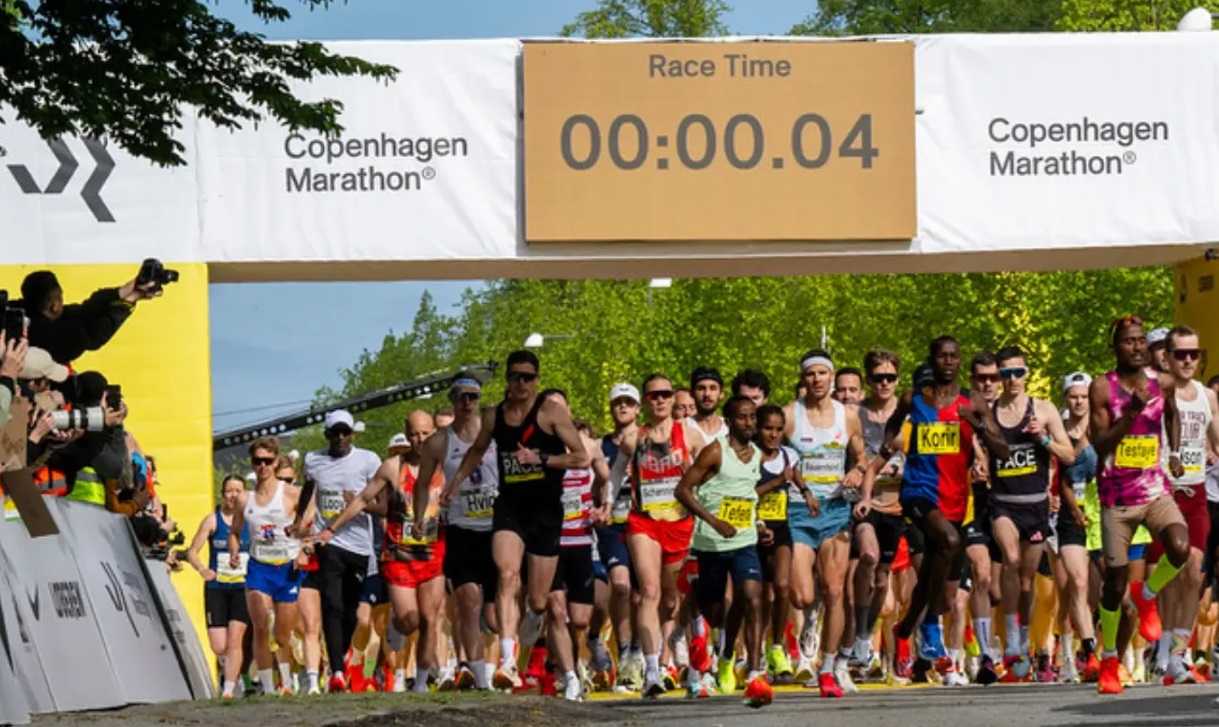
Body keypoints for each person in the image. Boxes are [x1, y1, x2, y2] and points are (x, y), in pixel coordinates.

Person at [444, 350, 590, 689]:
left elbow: (581, 457)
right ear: (507, 380)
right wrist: (453, 485)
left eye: (527, 377)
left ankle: (533, 622)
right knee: (507, 574)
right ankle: (508, 661)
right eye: (515, 376)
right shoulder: (493, 416)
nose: (521, 383)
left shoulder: (550, 412)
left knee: (538, 600)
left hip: (545, 511)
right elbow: (476, 451)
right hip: (510, 508)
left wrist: (542, 458)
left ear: (536, 380)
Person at [879, 338, 1009, 680]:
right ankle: (930, 627)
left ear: (960, 360)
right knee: (948, 542)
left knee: (934, 575)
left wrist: (977, 425)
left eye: (953, 356)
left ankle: (907, 627)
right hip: (918, 493)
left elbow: (1003, 451)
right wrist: (888, 445)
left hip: (955, 499)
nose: (948, 362)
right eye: (942, 356)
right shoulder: (913, 398)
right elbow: (893, 423)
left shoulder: (972, 401)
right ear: (933, 360)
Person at [1089, 315, 1191, 695]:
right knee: (1114, 585)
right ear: (1115, 346)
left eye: (1140, 340)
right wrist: (1131, 412)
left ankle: (1146, 596)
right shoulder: (1103, 387)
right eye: (1128, 341)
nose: (1136, 347)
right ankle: (1109, 660)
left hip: (1154, 490)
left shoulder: (1161, 383)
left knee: (1180, 547)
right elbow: (1099, 444)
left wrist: (1175, 452)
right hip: (1116, 498)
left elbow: (1172, 413)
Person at [327, 411, 445, 694]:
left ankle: (420, 682)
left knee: (430, 619)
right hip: (399, 556)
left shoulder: (445, 465)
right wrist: (332, 529)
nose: (420, 439)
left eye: (426, 433)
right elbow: (363, 499)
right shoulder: (393, 467)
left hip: (433, 554)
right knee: (410, 620)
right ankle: (396, 624)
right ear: (408, 434)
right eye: (414, 434)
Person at [676, 395, 773, 707]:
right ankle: (719, 644)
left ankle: (755, 674)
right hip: (711, 542)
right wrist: (713, 521)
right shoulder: (715, 451)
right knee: (717, 613)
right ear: (730, 421)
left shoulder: (757, 455)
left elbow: (748, 496)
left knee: (752, 596)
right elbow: (682, 490)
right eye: (743, 417)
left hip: (744, 541)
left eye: (753, 417)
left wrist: (759, 525)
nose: (750, 423)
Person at [785, 349, 869, 698]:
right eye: (811, 374)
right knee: (801, 596)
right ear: (803, 378)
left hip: (835, 510)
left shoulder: (847, 416)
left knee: (835, 591)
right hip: (800, 511)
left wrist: (856, 471)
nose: (817, 379)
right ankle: (811, 620)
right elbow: (771, 455)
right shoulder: (790, 416)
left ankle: (828, 667)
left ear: (831, 377)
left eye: (822, 373)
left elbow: (862, 456)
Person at [987, 346, 1074, 680]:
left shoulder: (1044, 409)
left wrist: (1043, 439)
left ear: (1026, 374)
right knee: (1010, 558)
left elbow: (1067, 455)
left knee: (1027, 580)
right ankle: (1011, 637)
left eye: (1018, 372)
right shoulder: (990, 411)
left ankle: (1024, 640)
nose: (1012, 379)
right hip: (1003, 503)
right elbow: (976, 448)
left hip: (1035, 504)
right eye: (1005, 374)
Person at [622, 373, 704, 697]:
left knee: (672, 599)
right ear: (645, 401)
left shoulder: (689, 433)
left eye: (665, 394)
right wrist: (606, 503)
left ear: (673, 399)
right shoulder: (633, 438)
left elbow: (711, 468)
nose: (659, 400)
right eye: (653, 395)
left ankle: (679, 649)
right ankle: (652, 670)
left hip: (679, 523)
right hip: (644, 521)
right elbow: (613, 474)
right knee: (649, 590)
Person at [1147, 325, 1219, 683]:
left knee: (1193, 573)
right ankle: (1162, 645)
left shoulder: (1208, 396)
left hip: (1197, 492)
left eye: (1195, 354)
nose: (1188, 360)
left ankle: (1177, 653)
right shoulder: (1155, 393)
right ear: (1167, 357)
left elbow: (1217, 442)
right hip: (1164, 493)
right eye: (1181, 354)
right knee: (1171, 573)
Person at [297, 410, 383, 693]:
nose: (341, 438)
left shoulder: (369, 460)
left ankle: (342, 655)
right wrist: (298, 521)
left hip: (360, 546)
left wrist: (358, 503)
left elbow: (382, 506)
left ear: (353, 434)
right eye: (335, 433)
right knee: (331, 605)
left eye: (345, 432)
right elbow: (308, 490)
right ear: (327, 434)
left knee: (351, 612)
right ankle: (336, 671)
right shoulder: (313, 460)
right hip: (328, 542)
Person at [429, 376, 500, 691]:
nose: (467, 403)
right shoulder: (442, 442)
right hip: (461, 530)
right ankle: (478, 675)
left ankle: (507, 660)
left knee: (494, 617)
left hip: (497, 531)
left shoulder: (495, 435)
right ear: (453, 400)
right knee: (467, 603)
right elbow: (423, 484)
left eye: (473, 397)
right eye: (461, 397)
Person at [228, 437, 312, 696]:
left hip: (286, 568)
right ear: (252, 463)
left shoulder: (290, 493)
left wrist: (305, 549)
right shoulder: (245, 499)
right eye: (258, 461)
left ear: (276, 462)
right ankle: (267, 687)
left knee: (282, 635)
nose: (262, 466)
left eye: (267, 461)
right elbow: (235, 531)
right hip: (259, 567)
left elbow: (311, 521)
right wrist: (234, 552)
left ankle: (286, 680)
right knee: (261, 625)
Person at [849, 350, 905, 675]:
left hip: (897, 506)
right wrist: (856, 469)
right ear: (868, 380)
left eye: (890, 377)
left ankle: (865, 633)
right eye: (878, 378)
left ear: (897, 379)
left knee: (883, 578)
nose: (884, 383)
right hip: (864, 502)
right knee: (868, 556)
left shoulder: (909, 415)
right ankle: (859, 633)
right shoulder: (854, 414)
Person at [594, 382, 643, 692]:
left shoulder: (648, 440)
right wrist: (598, 506)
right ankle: (623, 650)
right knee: (621, 586)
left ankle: (639, 649)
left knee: (641, 593)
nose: (622, 407)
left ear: (637, 408)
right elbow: (591, 484)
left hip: (643, 521)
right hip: (613, 524)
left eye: (628, 402)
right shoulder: (600, 445)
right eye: (617, 403)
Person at [185, 475, 251, 699]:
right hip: (217, 588)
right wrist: (202, 569)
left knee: (235, 639)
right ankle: (230, 672)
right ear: (222, 494)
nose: (234, 495)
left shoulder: (251, 521)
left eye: (238, 491)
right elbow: (192, 551)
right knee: (219, 645)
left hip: (243, 588)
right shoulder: (213, 520)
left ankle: (229, 690)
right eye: (229, 491)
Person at [1054, 372, 1101, 683]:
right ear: (1066, 399)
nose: (1079, 402)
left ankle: (1098, 645)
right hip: (1067, 517)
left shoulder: (1102, 427)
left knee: (1096, 591)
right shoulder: (1056, 429)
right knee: (1077, 581)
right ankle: (1089, 650)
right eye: (1073, 396)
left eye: (1084, 396)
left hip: (1100, 515)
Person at [18, 268, 162, 365]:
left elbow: (85, 310)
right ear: (54, 306)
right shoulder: (54, 337)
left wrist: (126, 290)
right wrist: (132, 298)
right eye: (61, 298)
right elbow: (95, 335)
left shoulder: (20, 315)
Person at [754, 404, 802, 684]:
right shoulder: (748, 457)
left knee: (783, 586)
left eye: (778, 429)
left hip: (781, 527)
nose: (773, 434)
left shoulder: (788, 455)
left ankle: (777, 646)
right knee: (758, 596)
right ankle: (754, 653)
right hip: (753, 528)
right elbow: (748, 493)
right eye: (767, 428)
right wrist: (775, 484)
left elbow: (795, 475)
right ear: (757, 429)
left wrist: (807, 493)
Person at [687, 367, 728, 446]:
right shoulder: (684, 428)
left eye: (713, 388)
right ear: (692, 393)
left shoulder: (730, 429)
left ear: (721, 394)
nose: (707, 394)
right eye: (701, 388)